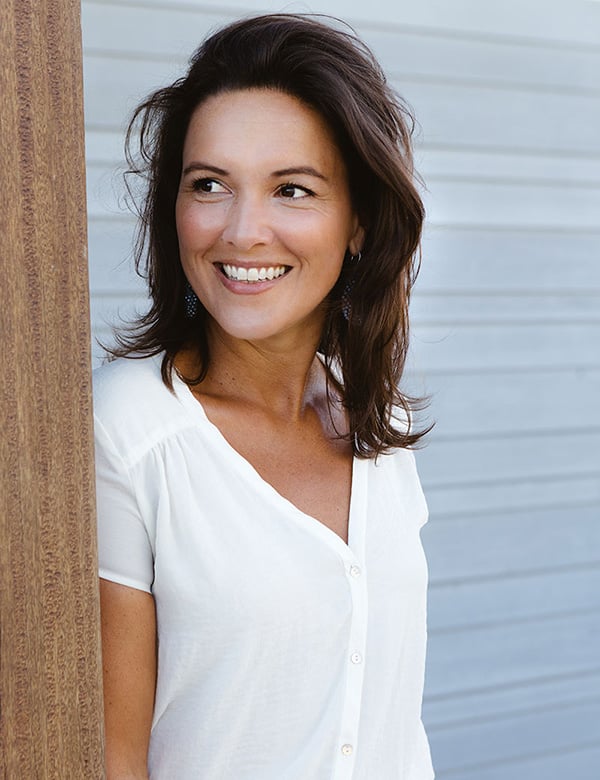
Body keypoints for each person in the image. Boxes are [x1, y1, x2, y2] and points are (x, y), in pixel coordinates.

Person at [94, 13, 434, 780]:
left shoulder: (382, 426)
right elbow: (110, 758)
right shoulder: (127, 428)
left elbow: (391, 720)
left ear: (358, 222)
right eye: (209, 184)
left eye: (292, 189)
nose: (243, 231)